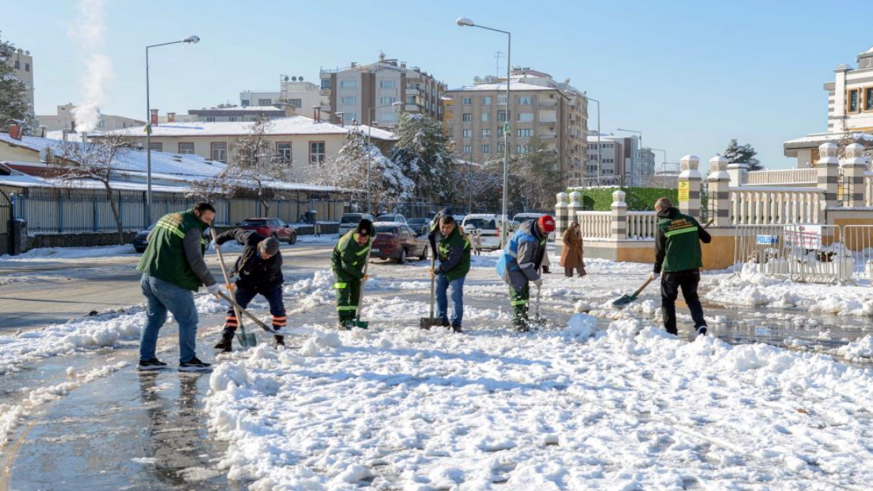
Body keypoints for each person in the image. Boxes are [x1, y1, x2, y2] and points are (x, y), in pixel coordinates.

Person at [136, 202, 220, 372]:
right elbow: (196, 261)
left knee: (154, 319)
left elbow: (150, 238)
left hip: (148, 275)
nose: (208, 223)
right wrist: (211, 283)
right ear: (196, 213)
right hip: (170, 279)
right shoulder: (192, 228)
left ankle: (146, 360)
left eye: (211, 220)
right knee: (189, 320)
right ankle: (188, 361)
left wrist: (169, 250)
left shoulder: (169, 217)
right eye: (206, 218)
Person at [212, 229, 286, 352]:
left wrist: (244, 280)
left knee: (278, 308)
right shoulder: (251, 238)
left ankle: (279, 337)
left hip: (270, 283)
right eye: (265, 253)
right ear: (260, 246)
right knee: (235, 307)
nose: (267, 257)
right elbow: (234, 232)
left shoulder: (276, 259)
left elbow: (265, 278)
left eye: (270, 255)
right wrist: (219, 240)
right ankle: (226, 337)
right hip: (246, 279)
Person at [651, 197, 712, 337]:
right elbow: (707, 239)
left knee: (668, 300)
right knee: (692, 298)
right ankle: (700, 324)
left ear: (660, 209)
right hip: (692, 268)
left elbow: (659, 251)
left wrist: (656, 270)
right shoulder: (689, 220)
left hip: (671, 270)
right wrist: (695, 232)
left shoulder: (663, 225)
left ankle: (671, 332)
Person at [496, 215, 555, 331]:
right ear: (539, 225)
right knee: (518, 295)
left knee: (524, 293)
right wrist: (535, 277)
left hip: (520, 266)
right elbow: (523, 262)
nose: (547, 233)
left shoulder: (538, 233)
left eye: (549, 230)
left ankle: (524, 319)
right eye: (545, 230)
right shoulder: (527, 239)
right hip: (511, 267)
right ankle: (518, 322)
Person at [432, 215, 471, 333]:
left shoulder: (457, 239)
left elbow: (454, 260)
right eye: (442, 227)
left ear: (453, 226)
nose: (444, 230)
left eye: (448, 228)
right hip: (445, 265)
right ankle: (441, 320)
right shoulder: (438, 232)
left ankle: (456, 324)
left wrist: (440, 268)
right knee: (439, 293)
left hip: (458, 269)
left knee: (455, 296)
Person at [332, 219, 374, 330]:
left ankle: (352, 317)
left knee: (356, 290)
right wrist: (361, 275)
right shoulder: (348, 245)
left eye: (365, 239)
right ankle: (343, 320)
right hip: (341, 265)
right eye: (360, 238)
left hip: (355, 265)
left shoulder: (370, 234)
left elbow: (371, 229)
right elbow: (346, 266)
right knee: (343, 289)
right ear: (356, 234)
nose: (362, 241)